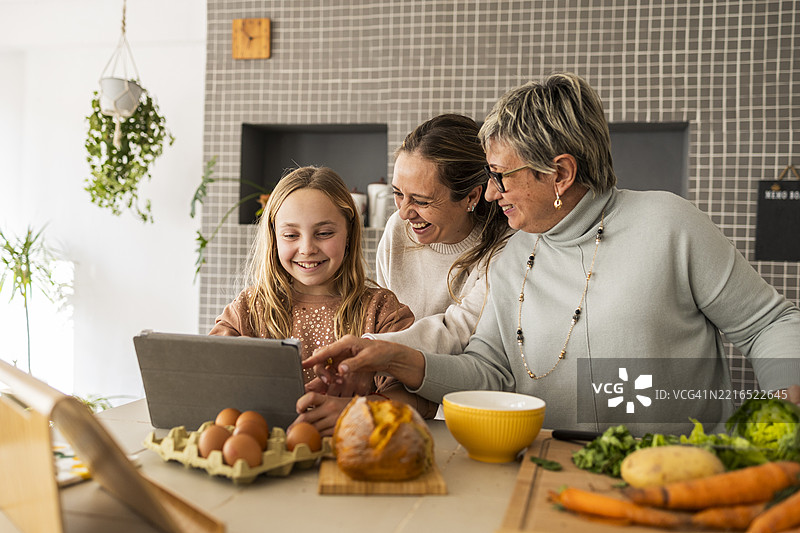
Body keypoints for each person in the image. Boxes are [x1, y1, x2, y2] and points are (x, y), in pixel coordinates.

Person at [306, 73, 800, 436]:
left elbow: (770, 323)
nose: (492, 192)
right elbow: (490, 370)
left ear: (559, 174)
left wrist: (784, 405)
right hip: (551, 472)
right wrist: (402, 358)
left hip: (679, 471)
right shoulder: (512, 255)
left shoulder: (670, 224)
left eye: (501, 175)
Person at [295, 114, 513, 426]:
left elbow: (457, 333)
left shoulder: (505, 249)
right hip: (403, 403)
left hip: (472, 413)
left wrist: (372, 350)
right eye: (398, 193)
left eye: (421, 201)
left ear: (472, 196)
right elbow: (384, 314)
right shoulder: (398, 228)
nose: (404, 212)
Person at [209, 166, 416, 434]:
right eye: (291, 235)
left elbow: (415, 399)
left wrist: (362, 411)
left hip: (353, 456)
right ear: (273, 237)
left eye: (324, 233)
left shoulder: (381, 311)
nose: (307, 248)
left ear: (349, 233)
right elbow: (209, 380)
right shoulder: (247, 310)